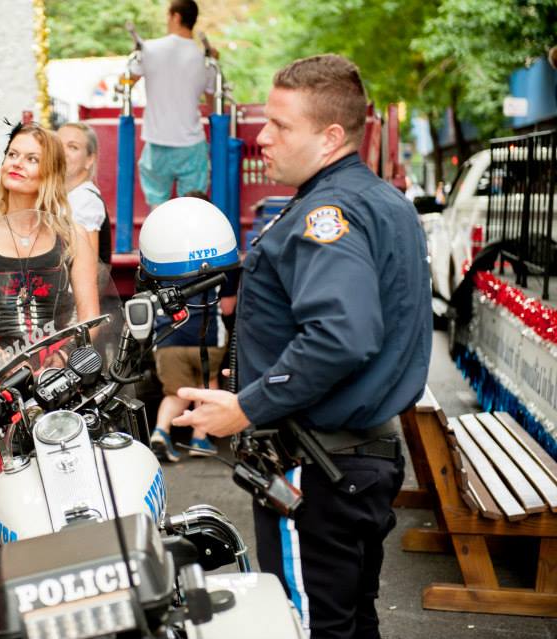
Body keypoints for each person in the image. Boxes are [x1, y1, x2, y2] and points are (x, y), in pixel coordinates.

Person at [173, 55, 431, 638]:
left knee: (309, 626)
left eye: (281, 125)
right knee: (350, 621)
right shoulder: (383, 201)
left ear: (330, 135)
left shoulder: (327, 213)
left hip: (316, 467)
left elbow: (343, 335)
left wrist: (247, 406)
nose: (262, 137)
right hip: (355, 461)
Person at [0, 121, 100, 612]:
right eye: (13, 153)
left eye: (32, 158)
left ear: (50, 171)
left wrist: (60, 358)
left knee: (57, 520)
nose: (17, 163)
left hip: (54, 392)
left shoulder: (73, 235)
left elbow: (92, 321)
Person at [149, 191, 234, 462]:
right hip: (208, 335)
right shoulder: (221, 257)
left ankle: (161, 433)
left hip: (168, 337)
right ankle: (200, 438)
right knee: (206, 385)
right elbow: (229, 306)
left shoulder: (158, 253)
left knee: (174, 393)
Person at [130, 0, 216, 209]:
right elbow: (212, 101)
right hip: (190, 144)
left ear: (176, 16)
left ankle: (159, 241)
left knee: (157, 208)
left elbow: (127, 81)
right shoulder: (204, 57)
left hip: (157, 141)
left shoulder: (150, 49)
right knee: (193, 207)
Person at [58, 122, 111, 264]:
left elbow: (88, 268)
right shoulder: (60, 196)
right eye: (58, 144)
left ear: (90, 159)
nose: (62, 152)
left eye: (72, 147)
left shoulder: (86, 200)